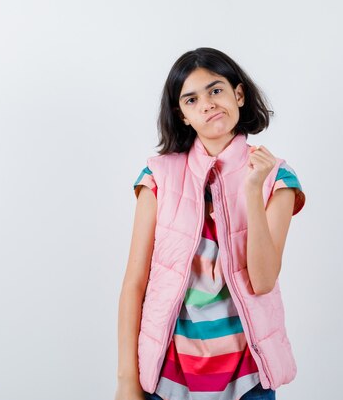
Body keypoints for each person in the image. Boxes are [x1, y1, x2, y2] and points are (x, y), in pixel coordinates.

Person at [114, 47, 306, 400]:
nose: (206, 104)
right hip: (167, 377)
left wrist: (251, 189)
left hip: (248, 378)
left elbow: (263, 280)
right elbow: (134, 284)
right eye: (191, 99)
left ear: (239, 94)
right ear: (182, 115)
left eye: (216, 90)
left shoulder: (276, 177)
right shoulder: (157, 177)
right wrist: (127, 382)